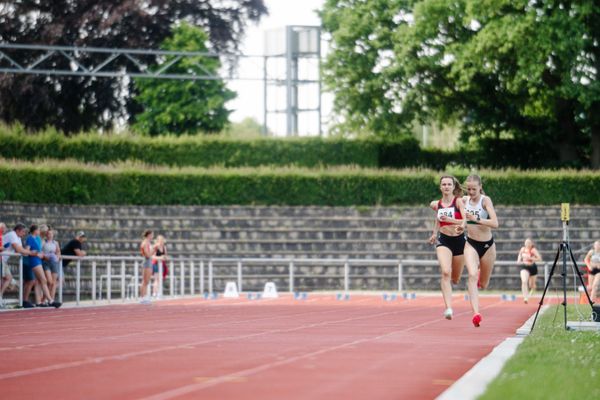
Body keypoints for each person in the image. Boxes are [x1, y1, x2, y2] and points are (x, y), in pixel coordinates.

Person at [428, 175, 467, 321]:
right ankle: (448, 308)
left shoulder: (458, 202)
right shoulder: (437, 204)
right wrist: (434, 233)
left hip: (459, 241)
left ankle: (454, 282)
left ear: (453, 186)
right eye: (443, 184)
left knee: (455, 279)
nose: (446, 187)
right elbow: (438, 219)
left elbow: (465, 221)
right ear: (440, 187)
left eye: (449, 184)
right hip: (444, 240)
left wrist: (454, 222)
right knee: (445, 272)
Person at [462, 174, 499, 327]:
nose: (471, 192)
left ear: (480, 187)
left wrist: (476, 219)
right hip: (470, 243)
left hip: (487, 246)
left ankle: (478, 282)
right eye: (468, 189)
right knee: (471, 274)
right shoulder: (464, 201)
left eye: (474, 189)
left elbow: (495, 223)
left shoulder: (485, 200)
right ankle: (476, 313)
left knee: (483, 284)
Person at [23, 225, 61, 308]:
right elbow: (26, 250)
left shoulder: (37, 238)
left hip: (38, 260)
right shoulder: (30, 238)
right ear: (35, 230)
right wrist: (36, 253)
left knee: (38, 281)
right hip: (34, 261)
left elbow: (39, 251)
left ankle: (40, 301)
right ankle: (50, 300)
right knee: (43, 280)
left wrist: (41, 254)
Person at [2, 223, 38, 305]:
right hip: (1, 259)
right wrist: (31, 253)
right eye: (23, 232)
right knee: (8, 278)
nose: (24, 234)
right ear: (17, 230)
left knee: (8, 279)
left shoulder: (18, 237)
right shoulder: (12, 234)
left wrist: (29, 252)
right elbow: (18, 249)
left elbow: (23, 251)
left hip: (3, 260)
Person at [516, 238, 542, 304]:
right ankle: (525, 297)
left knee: (532, 285)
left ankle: (531, 291)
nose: (527, 244)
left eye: (529, 243)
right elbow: (520, 255)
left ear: (531, 244)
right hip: (524, 267)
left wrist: (530, 258)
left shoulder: (533, 250)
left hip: (532, 267)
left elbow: (539, 258)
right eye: (526, 242)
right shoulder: (522, 249)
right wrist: (518, 260)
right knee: (524, 281)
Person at [42, 228, 62, 302]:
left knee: (53, 283)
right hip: (46, 262)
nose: (49, 235)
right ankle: (44, 299)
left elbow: (58, 251)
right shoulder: (43, 242)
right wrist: (45, 256)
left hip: (54, 262)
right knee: (49, 282)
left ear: (53, 235)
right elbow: (40, 251)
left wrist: (57, 257)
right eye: (48, 234)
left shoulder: (55, 243)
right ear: (46, 235)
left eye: (51, 234)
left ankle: (52, 300)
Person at [139, 230, 156, 304]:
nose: (153, 236)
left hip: (148, 261)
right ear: (149, 235)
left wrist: (153, 250)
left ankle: (144, 297)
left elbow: (150, 254)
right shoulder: (145, 243)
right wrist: (154, 250)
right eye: (152, 235)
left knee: (146, 281)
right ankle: (143, 297)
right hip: (147, 261)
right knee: (145, 281)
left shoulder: (148, 243)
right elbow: (147, 255)